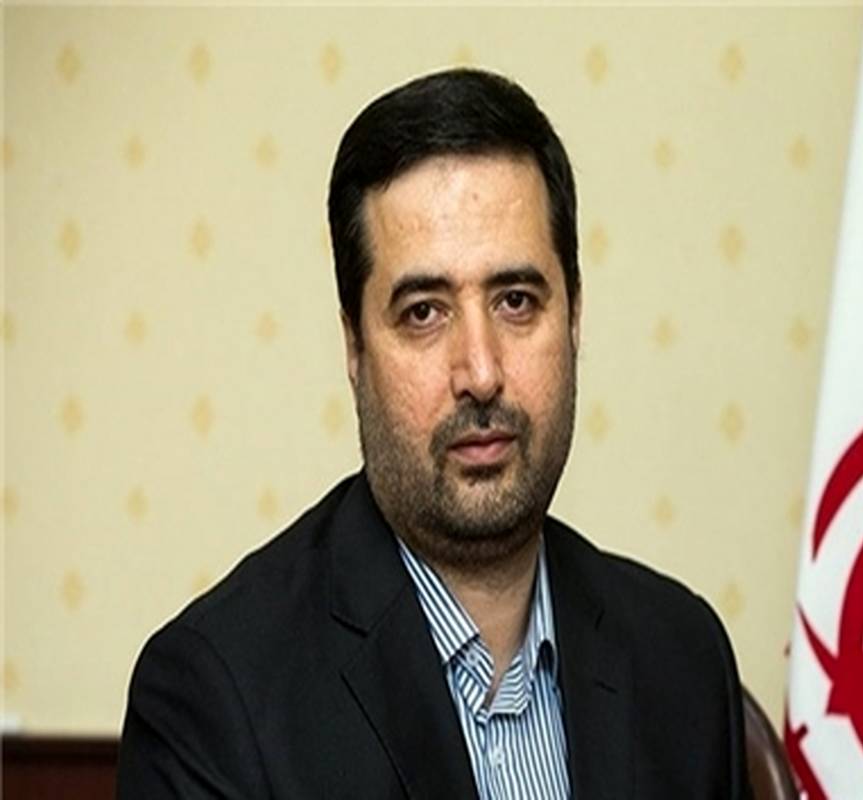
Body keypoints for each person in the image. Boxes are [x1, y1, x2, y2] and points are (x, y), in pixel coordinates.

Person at [117, 68, 750, 799]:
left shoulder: (683, 660)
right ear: (355, 347)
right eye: (423, 312)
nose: (480, 372)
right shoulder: (216, 699)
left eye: (517, 301)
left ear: (574, 319)